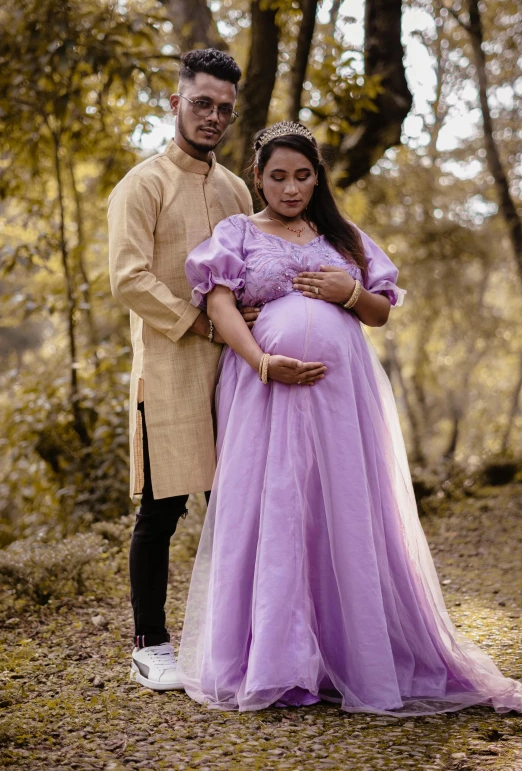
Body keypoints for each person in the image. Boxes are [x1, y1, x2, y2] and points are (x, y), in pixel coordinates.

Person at [179, 121, 522, 715]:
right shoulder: (235, 232)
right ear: (258, 178)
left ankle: (355, 655)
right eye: (278, 176)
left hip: (343, 402)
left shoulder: (341, 236)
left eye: (303, 176)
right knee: (276, 510)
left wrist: (347, 292)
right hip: (266, 394)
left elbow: (380, 312)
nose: (291, 188)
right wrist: (262, 362)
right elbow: (219, 304)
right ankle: (277, 663)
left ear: (318, 178)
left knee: (341, 510)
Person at [108, 49, 267, 691]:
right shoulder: (143, 184)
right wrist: (198, 322)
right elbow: (127, 277)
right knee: (163, 507)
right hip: (170, 367)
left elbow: (252, 266)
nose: (213, 117)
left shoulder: (234, 189)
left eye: (225, 109)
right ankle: (151, 643)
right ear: (176, 102)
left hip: (234, 369)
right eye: (202, 103)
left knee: (239, 503)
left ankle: (240, 639)